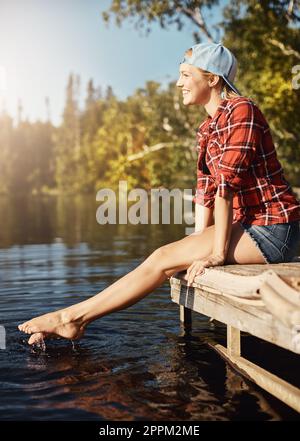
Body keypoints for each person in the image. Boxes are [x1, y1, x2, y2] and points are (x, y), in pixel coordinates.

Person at [18, 42, 300, 345]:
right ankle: (73, 318)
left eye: (185, 75)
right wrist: (196, 240)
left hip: (274, 229)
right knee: (169, 255)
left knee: (163, 258)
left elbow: (225, 185)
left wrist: (215, 254)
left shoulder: (242, 110)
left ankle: (71, 319)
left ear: (212, 78)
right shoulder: (207, 128)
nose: (179, 83)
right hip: (246, 226)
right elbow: (205, 190)